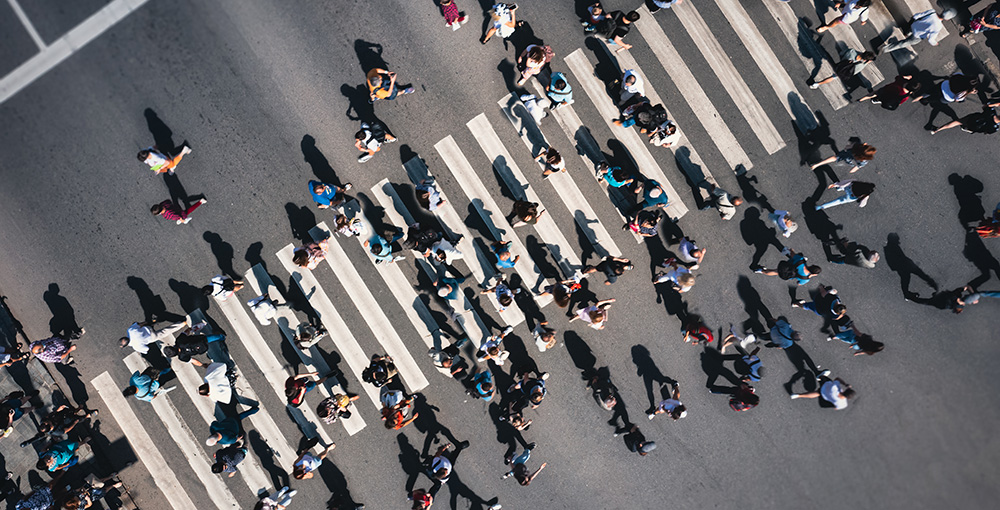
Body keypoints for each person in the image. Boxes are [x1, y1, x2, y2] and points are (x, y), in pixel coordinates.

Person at [18, 404, 94, 448]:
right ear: (49, 426)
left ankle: (79, 408)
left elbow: (50, 415)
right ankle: (88, 415)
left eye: (46, 421)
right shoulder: (57, 431)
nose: (48, 421)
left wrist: (58, 410)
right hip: (67, 421)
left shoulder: (44, 421)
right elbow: (67, 429)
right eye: (48, 422)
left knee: (72, 411)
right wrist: (74, 423)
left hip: (62, 415)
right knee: (78, 418)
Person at [881, 9, 956, 53]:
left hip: (914, 25)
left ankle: (907, 33)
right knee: (903, 43)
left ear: (943, 11)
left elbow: (917, 16)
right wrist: (935, 43)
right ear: (947, 19)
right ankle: (885, 48)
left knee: (909, 31)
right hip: (917, 36)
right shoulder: (938, 27)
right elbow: (931, 39)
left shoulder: (932, 11)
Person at [808, 47, 875, 90]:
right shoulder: (861, 65)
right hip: (842, 71)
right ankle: (817, 84)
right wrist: (865, 63)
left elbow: (842, 53)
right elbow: (853, 72)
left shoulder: (852, 51)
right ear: (866, 60)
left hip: (840, 64)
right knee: (832, 77)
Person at [791, 370, 855, 409]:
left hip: (824, 385)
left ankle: (820, 376)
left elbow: (837, 379)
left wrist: (845, 384)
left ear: (847, 390)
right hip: (824, 396)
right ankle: (797, 395)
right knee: (818, 393)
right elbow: (836, 408)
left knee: (827, 380)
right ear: (848, 398)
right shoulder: (843, 404)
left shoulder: (835, 387)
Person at [755, 248, 821, 286]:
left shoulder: (801, 261)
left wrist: (791, 250)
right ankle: (760, 270)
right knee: (776, 272)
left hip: (785, 265)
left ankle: (761, 270)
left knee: (798, 256)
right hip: (786, 274)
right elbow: (798, 283)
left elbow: (792, 254)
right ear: (814, 274)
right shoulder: (805, 279)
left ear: (812, 265)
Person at [119, 319, 187, 354]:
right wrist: (147, 322)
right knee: (136, 324)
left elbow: (147, 349)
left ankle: (181, 324)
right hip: (148, 328)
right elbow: (140, 324)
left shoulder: (136, 347)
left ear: (127, 345)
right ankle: (154, 321)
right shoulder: (130, 330)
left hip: (152, 337)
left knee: (165, 331)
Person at [857, 74, 921, 110]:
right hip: (888, 97)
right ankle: (877, 100)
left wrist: (906, 77)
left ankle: (861, 99)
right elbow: (899, 103)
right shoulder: (905, 96)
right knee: (883, 98)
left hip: (885, 89)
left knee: (874, 93)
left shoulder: (902, 81)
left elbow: (897, 77)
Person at [931, 103, 1000, 135]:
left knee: (958, 122)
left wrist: (995, 104)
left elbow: (984, 106)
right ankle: (968, 129)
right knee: (969, 127)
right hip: (975, 127)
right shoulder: (995, 128)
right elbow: (986, 132)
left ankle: (938, 130)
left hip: (972, 119)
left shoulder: (992, 112)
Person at [810, 142, 877, 174]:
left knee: (835, 157)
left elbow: (847, 147)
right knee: (842, 160)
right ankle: (817, 165)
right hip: (850, 160)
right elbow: (858, 166)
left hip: (848, 153)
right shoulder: (863, 160)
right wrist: (853, 170)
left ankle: (817, 164)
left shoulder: (857, 145)